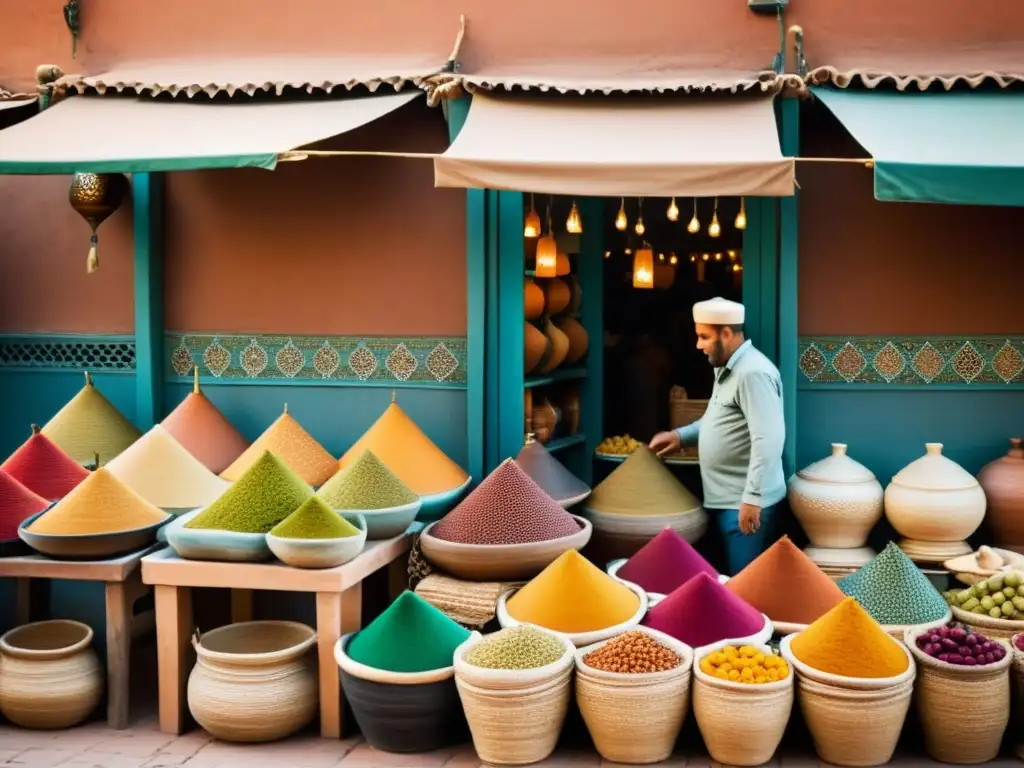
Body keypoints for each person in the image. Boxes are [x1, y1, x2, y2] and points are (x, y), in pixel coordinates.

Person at [649, 297, 785, 574]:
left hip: (744, 505)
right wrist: (679, 436)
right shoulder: (726, 368)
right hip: (726, 500)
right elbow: (716, 421)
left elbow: (768, 439)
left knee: (742, 593)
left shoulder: (752, 373)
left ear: (726, 333)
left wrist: (752, 498)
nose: (698, 345)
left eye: (704, 336)